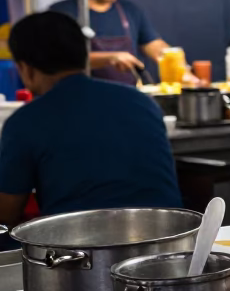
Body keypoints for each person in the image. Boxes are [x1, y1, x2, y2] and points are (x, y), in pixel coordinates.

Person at [0, 12, 181, 227]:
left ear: (25, 68)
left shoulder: (26, 121)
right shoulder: (142, 102)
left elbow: (6, 214)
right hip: (169, 237)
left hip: (82, 250)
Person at [50, 0, 176, 84]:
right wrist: (110, 58)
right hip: (82, 95)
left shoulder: (130, 10)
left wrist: (175, 59)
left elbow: (153, 45)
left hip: (127, 95)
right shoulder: (63, 11)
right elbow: (59, 58)